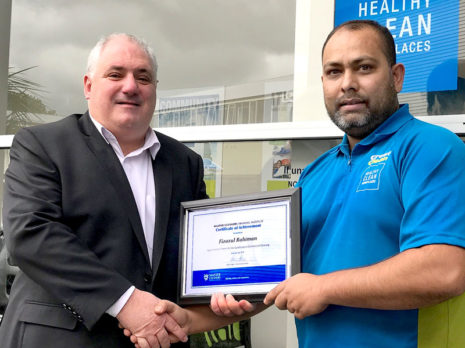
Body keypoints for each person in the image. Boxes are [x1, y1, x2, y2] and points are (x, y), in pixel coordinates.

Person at [175, 19, 465, 347]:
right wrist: (190, 318)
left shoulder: (431, 147)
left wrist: (324, 287)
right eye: (334, 72)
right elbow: (274, 282)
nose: (348, 84)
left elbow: (443, 270)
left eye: (364, 67)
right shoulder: (315, 174)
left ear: (396, 76)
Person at [0, 33, 209, 348]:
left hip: (158, 341)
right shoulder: (42, 145)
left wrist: (224, 291)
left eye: (143, 77)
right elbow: (31, 233)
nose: (130, 86)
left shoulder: (185, 163)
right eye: (115, 74)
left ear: (154, 88)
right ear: (88, 85)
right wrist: (125, 301)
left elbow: (200, 246)